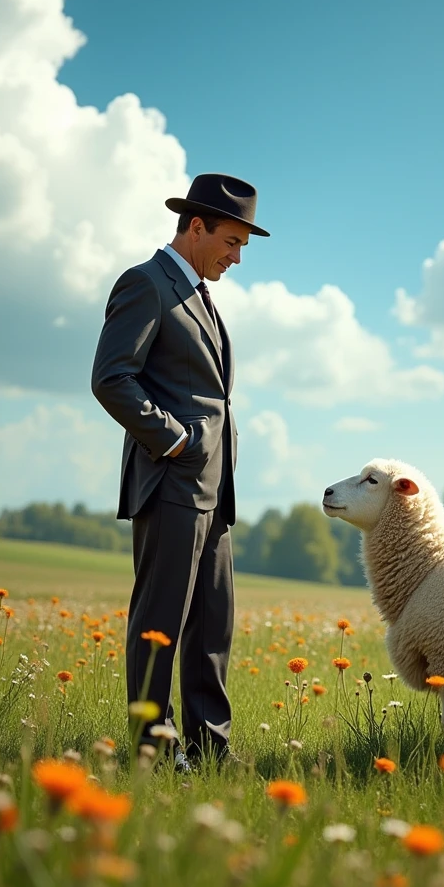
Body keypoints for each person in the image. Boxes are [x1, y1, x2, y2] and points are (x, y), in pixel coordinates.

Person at [91, 173, 270, 771]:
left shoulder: (199, 294)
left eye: (243, 245)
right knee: (160, 621)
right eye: (232, 241)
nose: (237, 256)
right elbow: (112, 377)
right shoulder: (146, 283)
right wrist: (176, 441)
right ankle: (153, 749)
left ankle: (210, 750)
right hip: (171, 481)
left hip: (216, 488)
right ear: (196, 227)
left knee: (212, 625)